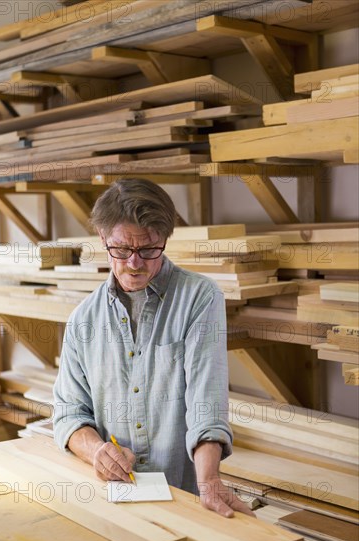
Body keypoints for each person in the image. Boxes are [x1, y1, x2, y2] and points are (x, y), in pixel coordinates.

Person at [53, 178, 253, 518]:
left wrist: (209, 480)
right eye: (121, 249)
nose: (134, 263)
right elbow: (69, 413)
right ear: (103, 238)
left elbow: (206, 402)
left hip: (184, 500)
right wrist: (97, 451)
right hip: (115, 503)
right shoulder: (82, 320)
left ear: (164, 239)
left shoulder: (199, 298)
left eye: (148, 250)